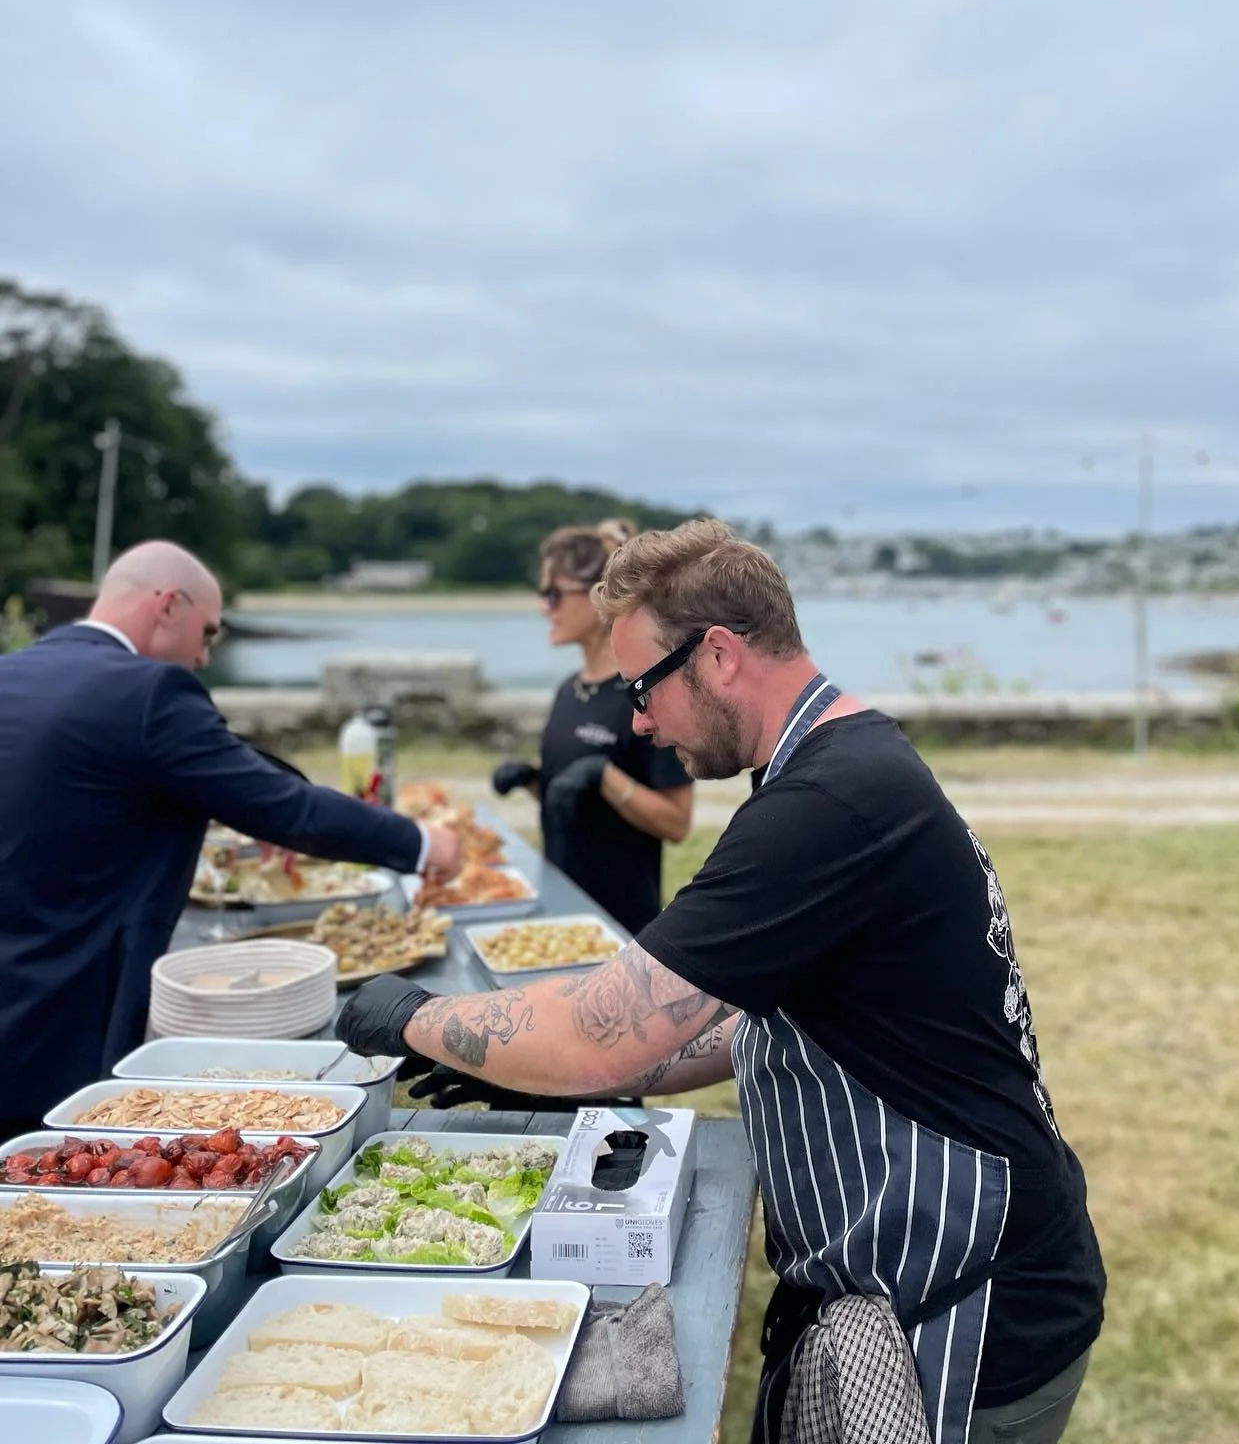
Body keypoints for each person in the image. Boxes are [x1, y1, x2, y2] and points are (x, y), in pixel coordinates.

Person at [339, 520, 1105, 1444]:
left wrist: (417, 1015)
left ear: (719, 655)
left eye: (643, 688)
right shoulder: (835, 763)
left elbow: (598, 1029)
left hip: (970, 1302)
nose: (638, 721)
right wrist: (563, 1075)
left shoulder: (825, 805)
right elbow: (751, 1024)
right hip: (928, 1273)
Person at [0, 540, 462, 1136]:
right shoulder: (151, 691)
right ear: (168, 605)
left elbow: (82, 789)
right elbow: (287, 809)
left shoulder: (14, 672)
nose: (203, 655)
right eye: (208, 632)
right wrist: (421, 843)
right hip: (63, 1016)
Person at [489, 519, 692, 934]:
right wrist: (532, 781)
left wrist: (605, 777)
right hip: (560, 911)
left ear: (598, 593)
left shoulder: (644, 694)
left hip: (620, 924)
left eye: (553, 594)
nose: (544, 607)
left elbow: (677, 822)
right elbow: (573, 801)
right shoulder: (569, 691)